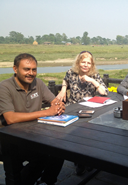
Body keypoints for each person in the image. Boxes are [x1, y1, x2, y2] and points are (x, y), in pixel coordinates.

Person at [0, 53, 65, 185]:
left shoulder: (38, 83)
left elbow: (54, 101)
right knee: (39, 158)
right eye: (26, 69)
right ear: (15, 69)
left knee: (60, 149)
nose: (31, 73)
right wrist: (46, 112)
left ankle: (46, 181)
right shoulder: (4, 87)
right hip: (10, 139)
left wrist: (58, 105)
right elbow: (10, 118)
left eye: (34, 69)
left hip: (33, 135)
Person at [56, 51, 109, 175]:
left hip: (88, 109)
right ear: (78, 63)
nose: (85, 65)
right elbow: (65, 80)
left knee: (87, 136)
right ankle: (79, 162)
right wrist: (64, 89)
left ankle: (87, 161)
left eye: (88, 63)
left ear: (92, 65)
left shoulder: (94, 75)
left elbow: (104, 92)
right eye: (83, 62)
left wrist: (92, 80)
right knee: (74, 137)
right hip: (72, 108)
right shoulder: (71, 72)